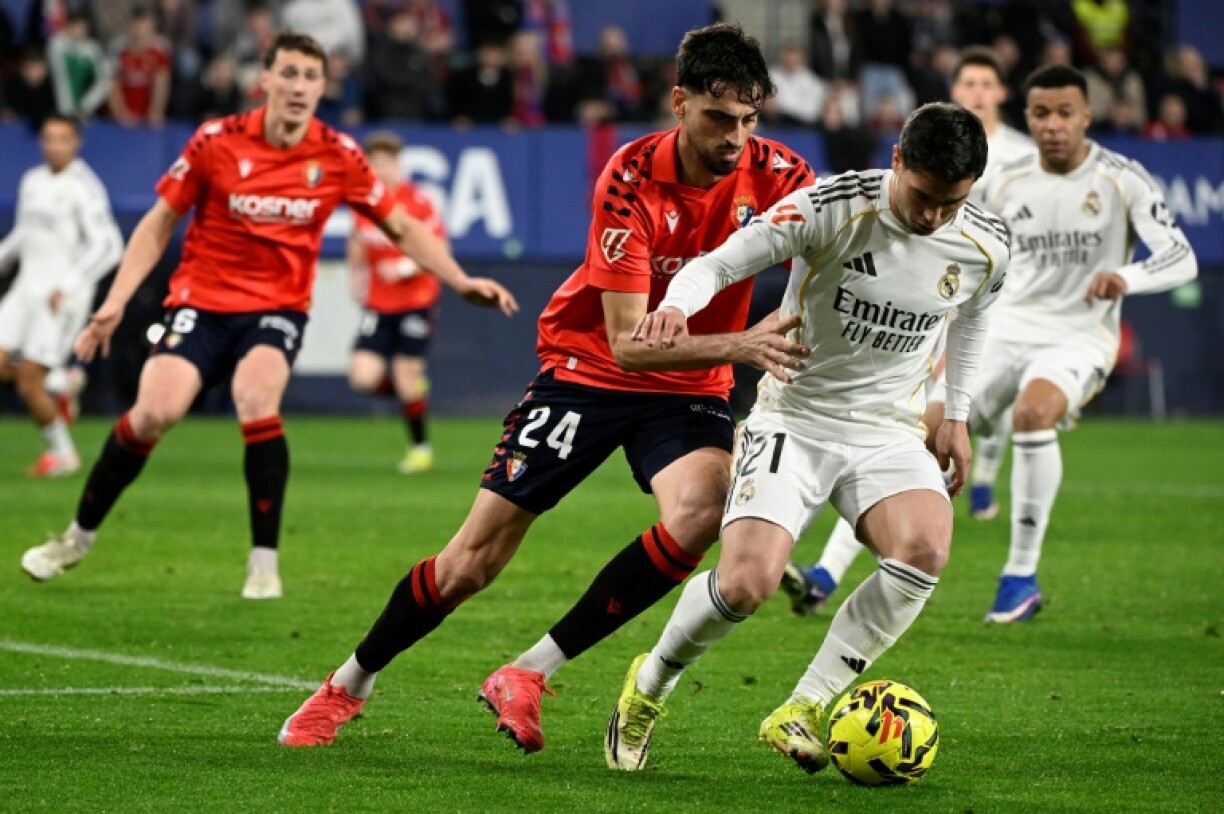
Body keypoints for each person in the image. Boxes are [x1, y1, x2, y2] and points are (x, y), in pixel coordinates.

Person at [277, 22, 816, 751]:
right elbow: (628, 342)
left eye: (749, 122)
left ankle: (530, 671)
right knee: (473, 563)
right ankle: (348, 684)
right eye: (719, 119)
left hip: (689, 386)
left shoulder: (781, 175)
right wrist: (743, 344)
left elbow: (844, 246)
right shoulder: (628, 177)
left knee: (701, 510)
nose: (734, 139)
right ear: (679, 102)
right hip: (588, 373)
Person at [18, 32, 516, 599]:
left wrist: (458, 279)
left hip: (276, 308)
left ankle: (263, 562)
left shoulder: (338, 154)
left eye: (311, 76)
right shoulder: (216, 141)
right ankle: (76, 539)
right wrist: (115, 301)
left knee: (256, 400)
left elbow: (400, 226)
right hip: (201, 303)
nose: (300, 86)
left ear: (323, 87)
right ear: (266, 79)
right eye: (290, 74)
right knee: (153, 413)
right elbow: (158, 223)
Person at [604, 101, 1008, 773]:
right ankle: (649, 687)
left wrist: (957, 414)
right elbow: (719, 262)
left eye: (953, 203)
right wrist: (675, 304)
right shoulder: (829, 206)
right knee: (746, 585)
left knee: (924, 549)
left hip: (888, 429)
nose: (935, 216)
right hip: (795, 418)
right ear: (898, 161)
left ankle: (804, 704)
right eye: (925, 197)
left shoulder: (986, 244)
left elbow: (973, 319)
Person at [781, 45, 1037, 617]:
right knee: (900, 441)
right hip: (912, 321)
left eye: (984, 83)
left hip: (983, 318)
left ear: (1000, 93)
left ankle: (1017, 557)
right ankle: (826, 567)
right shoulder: (932, 146)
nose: (974, 91)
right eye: (964, 81)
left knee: (924, 436)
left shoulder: (1022, 160)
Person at [970, 65, 1196, 622]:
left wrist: (1128, 277)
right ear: (1028, 117)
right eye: (1041, 114)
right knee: (924, 432)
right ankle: (842, 569)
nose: (1053, 125)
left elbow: (1181, 256)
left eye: (1065, 113)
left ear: (1086, 116)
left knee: (1031, 414)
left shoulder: (1123, 178)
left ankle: (1020, 575)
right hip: (1006, 330)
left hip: (1078, 337)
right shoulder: (1003, 182)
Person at [0, 114, 123, 477]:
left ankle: (64, 453)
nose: (55, 145)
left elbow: (110, 246)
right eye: (49, 138)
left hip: (59, 297)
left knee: (27, 383)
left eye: (63, 139)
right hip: (25, 287)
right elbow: (25, 232)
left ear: (76, 143)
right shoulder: (32, 181)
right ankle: (60, 382)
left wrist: (68, 285)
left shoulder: (83, 187)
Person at [347, 130, 446, 474]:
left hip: (416, 299)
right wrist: (354, 275)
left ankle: (420, 448)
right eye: (376, 162)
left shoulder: (418, 202)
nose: (382, 168)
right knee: (362, 377)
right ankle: (412, 396)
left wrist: (404, 266)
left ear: (398, 163)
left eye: (388, 162)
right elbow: (357, 240)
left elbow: (438, 250)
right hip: (378, 302)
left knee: (406, 375)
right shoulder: (365, 202)